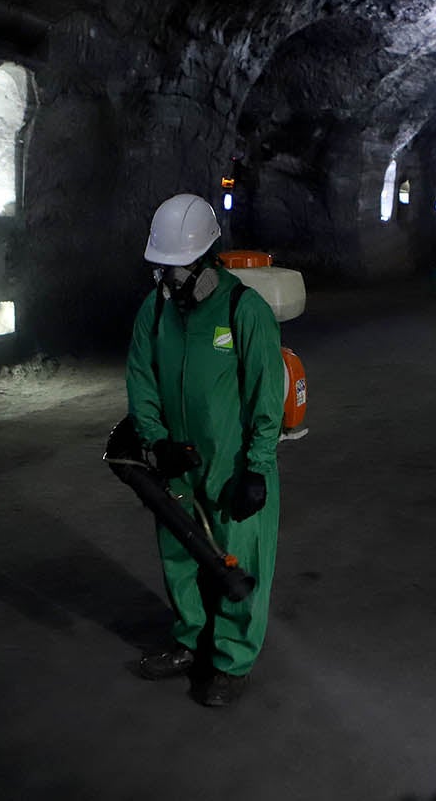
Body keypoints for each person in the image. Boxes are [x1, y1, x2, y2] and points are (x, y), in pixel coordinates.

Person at [125, 193, 284, 707]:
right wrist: (155, 443)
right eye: (162, 270)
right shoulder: (155, 311)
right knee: (179, 552)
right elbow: (141, 379)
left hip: (231, 465)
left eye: (177, 270)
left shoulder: (245, 311)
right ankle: (191, 639)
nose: (167, 281)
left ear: (205, 262)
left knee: (238, 556)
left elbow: (266, 397)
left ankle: (232, 662)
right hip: (177, 461)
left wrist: (256, 469)